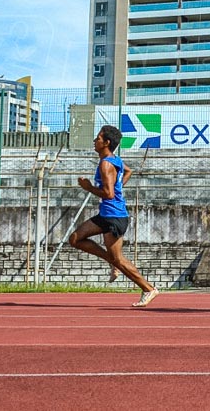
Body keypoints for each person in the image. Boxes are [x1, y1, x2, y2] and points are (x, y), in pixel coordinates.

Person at [69, 125, 158, 307]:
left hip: (114, 216)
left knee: (118, 258)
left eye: (98, 138)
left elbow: (108, 194)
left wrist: (89, 188)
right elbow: (128, 171)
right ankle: (112, 263)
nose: (95, 141)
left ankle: (148, 288)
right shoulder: (115, 160)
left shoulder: (106, 164)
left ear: (106, 143)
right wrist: (118, 188)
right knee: (75, 239)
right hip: (106, 214)